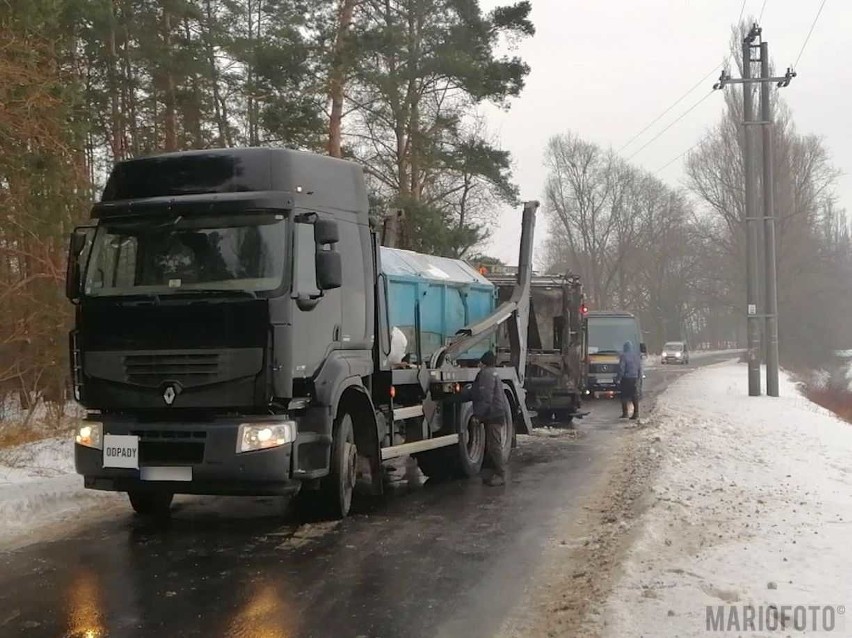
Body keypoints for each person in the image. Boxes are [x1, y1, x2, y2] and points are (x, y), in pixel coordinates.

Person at [459, 351, 507, 486]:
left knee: (494, 446)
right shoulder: (491, 373)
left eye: (480, 362)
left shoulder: (486, 374)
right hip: (494, 413)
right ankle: (492, 474)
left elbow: (485, 397)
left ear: (484, 362)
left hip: (493, 415)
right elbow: (476, 392)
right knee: (492, 446)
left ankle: (500, 475)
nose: (479, 364)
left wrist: (478, 416)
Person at [618, 341, 642, 420]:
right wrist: (639, 378)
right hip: (634, 378)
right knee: (634, 396)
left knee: (624, 396)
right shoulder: (636, 356)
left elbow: (622, 368)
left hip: (626, 378)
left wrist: (619, 378)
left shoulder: (624, 356)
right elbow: (640, 368)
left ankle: (625, 413)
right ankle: (636, 413)